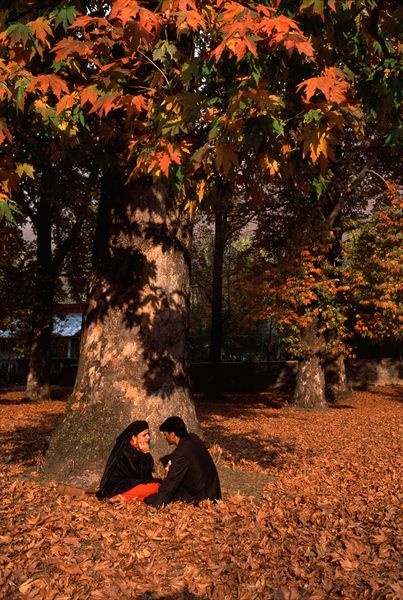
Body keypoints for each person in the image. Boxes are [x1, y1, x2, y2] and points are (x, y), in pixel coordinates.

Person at [144, 416, 221, 508]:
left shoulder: (181, 453)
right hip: (213, 490)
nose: (165, 438)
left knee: (149, 499)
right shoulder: (193, 438)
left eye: (165, 435)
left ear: (172, 434)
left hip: (202, 496)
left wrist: (157, 504)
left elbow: (171, 482)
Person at [96, 420, 160, 502]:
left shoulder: (136, 448)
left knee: (158, 486)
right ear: (134, 438)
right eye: (144, 435)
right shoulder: (127, 450)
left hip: (129, 484)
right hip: (118, 487)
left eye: (148, 434)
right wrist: (146, 453)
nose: (148, 437)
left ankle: (132, 498)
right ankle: (119, 498)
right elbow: (139, 473)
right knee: (156, 487)